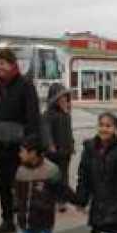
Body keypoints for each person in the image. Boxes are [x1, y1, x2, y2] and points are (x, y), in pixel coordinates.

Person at [0, 48, 42, 233]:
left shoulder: (25, 86)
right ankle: (7, 221)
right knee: (3, 184)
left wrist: (30, 145)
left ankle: (26, 221)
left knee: (21, 185)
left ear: (12, 64)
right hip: (0, 146)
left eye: (2, 63)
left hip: (19, 147)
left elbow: (33, 118)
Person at [43, 83, 75, 213]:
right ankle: (50, 198)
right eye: (61, 98)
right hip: (53, 151)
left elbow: (69, 132)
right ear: (54, 99)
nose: (64, 100)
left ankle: (62, 200)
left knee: (64, 175)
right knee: (53, 175)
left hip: (65, 151)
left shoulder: (66, 113)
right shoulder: (48, 114)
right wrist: (49, 144)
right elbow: (46, 130)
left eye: (65, 97)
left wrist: (71, 144)